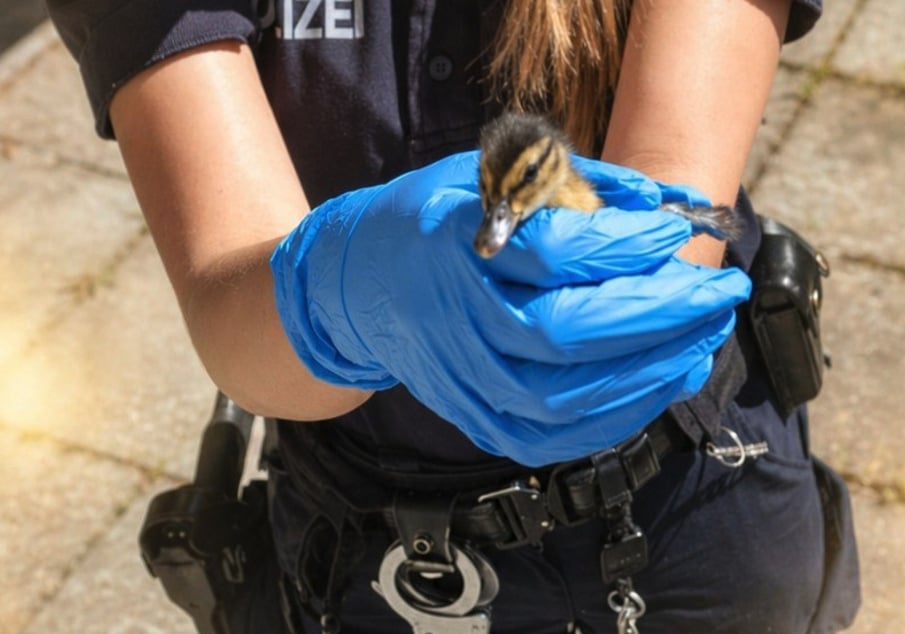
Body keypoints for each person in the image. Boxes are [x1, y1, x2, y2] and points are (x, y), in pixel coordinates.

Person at [46, 0, 860, 632]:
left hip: (691, 504)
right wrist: (333, 291)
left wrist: (599, 289)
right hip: (374, 556)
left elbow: (674, 211)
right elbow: (229, 305)